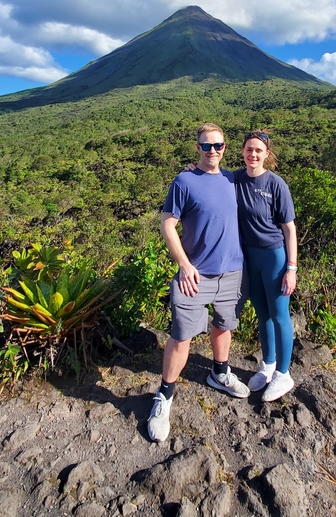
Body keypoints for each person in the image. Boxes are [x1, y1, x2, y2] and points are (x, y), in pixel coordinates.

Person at [147, 123, 250, 443]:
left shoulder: (234, 179)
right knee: (181, 336)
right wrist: (184, 264)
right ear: (197, 148)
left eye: (217, 146)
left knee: (224, 325)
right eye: (206, 146)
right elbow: (167, 223)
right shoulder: (184, 180)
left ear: (225, 147)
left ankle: (220, 373)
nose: (212, 151)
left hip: (233, 271)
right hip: (195, 275)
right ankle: (164, 396)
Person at [235, 131, 298, 402]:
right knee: (262, 315)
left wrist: (291, 268)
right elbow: (209, 175)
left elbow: (289, 229)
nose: (253, 154)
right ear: (242, 151)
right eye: (249, 149)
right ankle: (268, 365)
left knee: (280, 315)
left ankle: (284, 374)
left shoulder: (275, 184)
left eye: (259, 150)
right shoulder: (234, 178)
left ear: (266, 154)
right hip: (249, 257)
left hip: (273, 256)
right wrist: (193, 168)